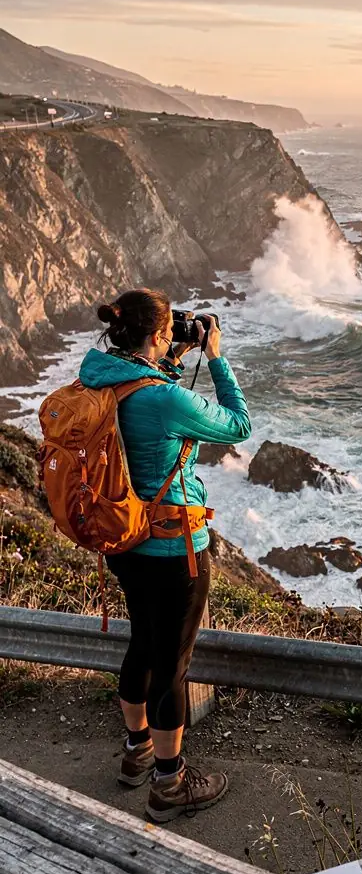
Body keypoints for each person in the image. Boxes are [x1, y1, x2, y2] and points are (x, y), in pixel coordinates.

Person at [78, 287, 251, 823]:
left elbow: (145, 390)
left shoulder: (97, 377)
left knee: (142, 643)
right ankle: (170, 784)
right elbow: (238, 424)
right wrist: (215, 358)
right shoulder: (165, 399)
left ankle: (137, 753)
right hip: (174, 548)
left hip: (123, 539)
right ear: (157, 334)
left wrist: (169, 357)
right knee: (172, 665)